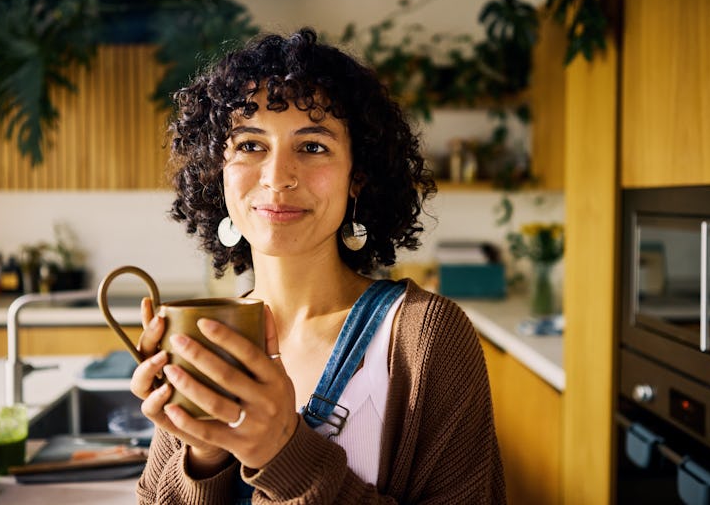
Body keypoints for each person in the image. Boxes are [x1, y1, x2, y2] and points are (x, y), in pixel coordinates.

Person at [130, 27, 505, 504]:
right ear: (217, 170)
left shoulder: (425, 337)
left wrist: (282, 454)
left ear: (357, 177)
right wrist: (205, 451)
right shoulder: (206, 336)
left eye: (312, 147)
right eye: (249, 145)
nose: (277, 178)